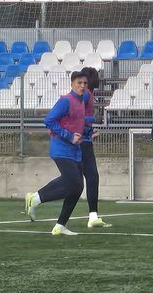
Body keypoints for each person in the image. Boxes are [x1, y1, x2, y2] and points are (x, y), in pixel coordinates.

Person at [25, 70, 88, 236]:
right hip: (61, 149)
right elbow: (49, 120)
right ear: (72, 84)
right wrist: (68, 136)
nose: (82, 86)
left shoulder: (81, 102)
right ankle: (36, 199)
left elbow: (75, 124)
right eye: (79, 83)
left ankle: (60, 225)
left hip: (74, 151)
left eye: (84, 83)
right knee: (72, 183)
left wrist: (89, 132)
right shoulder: (65, 101)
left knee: (77, 187)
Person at [77, 67, 110, 228]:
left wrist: (90, 130)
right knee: (89, 178)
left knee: (77, 180)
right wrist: (92, 120)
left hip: (84, 139)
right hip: (82, 141)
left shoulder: (88, 94)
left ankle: (36, 198)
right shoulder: (86, 95)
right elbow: (77, 115)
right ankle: (36, 198)